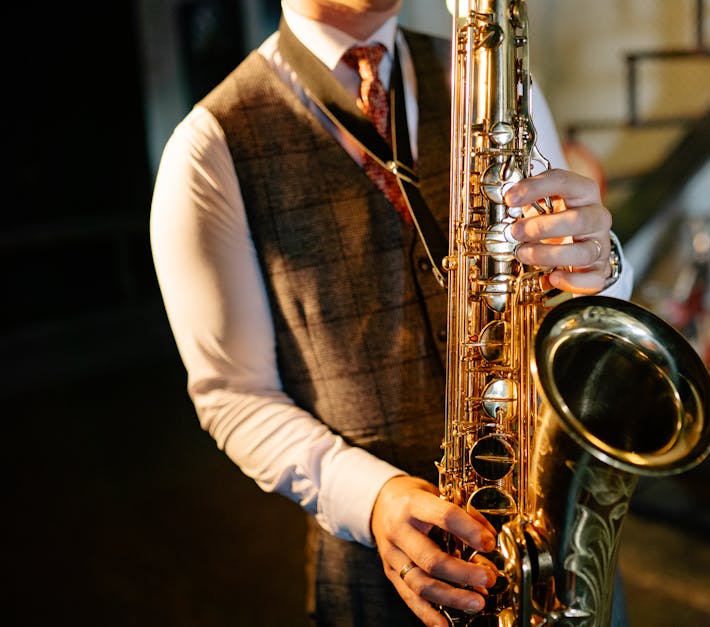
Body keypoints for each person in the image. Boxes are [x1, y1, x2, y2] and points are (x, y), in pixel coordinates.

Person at [150, 1, 633, 625]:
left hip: (556, 555)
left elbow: (565, 297)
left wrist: (603, 265)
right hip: (380, 580)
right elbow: (233, 396)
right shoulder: (208, 147)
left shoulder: (502, 84)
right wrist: (370, 498)